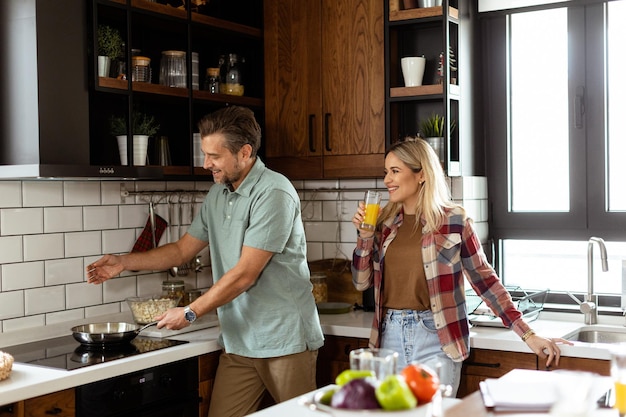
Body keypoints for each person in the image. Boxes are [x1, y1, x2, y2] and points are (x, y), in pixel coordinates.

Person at [86, 106, 324, 417]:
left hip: (285, 340)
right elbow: (182, 250)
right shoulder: (217, 195)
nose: (205, 163)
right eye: (204, 153)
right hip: (239, 341)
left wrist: (190, 312)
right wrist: (123, 261)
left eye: (214, 155)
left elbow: (244, 274)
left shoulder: (274, 193)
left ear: (245, 152)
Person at [351, 137, 571, 396]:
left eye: (395, 171)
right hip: (387, 339)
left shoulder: (454, 221)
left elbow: (485, 281)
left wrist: (527, 334)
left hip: (436, 338)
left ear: (421, 174)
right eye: (386, 172)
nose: (387, 179)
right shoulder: (384, 223)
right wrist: (364, 235)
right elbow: (360, 281)